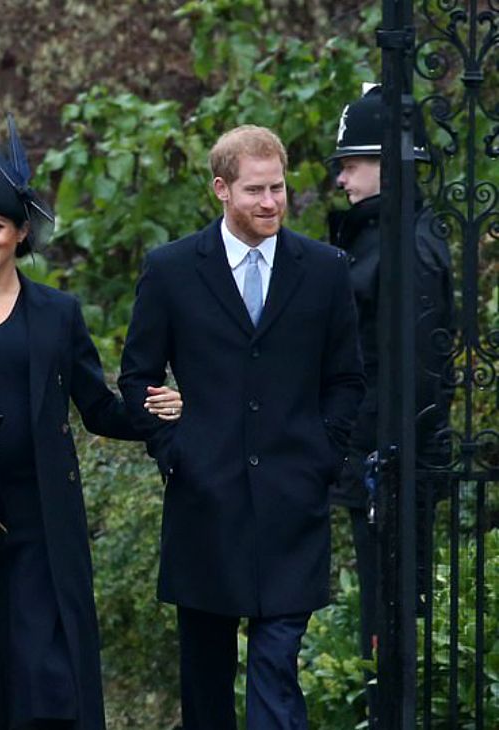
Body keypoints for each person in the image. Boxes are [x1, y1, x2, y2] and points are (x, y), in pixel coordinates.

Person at [0, 119, 183, 730]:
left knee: (44, 668)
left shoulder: (57, 313)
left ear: (22, 233)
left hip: (42, 516)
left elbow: (96, 408)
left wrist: (156, 412)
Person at [118, 125, 364, 730]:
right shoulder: (172, 270)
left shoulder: (326, 269)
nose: (271, 203)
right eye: (255, 190)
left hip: (292, 503)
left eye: (278, 188)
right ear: (221, 189)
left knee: (277, 666)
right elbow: (137, 378)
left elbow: (347, 380)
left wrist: (321, 458)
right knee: (204, 682)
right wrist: (176, 451)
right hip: (205, 504)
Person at [327, 85, 454, 683]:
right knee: (382, 620)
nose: (343, 180)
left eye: (351, 164)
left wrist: (397, 466)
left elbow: (419, 377)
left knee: (396, 625)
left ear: (385, 164)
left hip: (392, 467)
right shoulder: (374, 242)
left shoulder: (406, 249)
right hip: (370, 458)